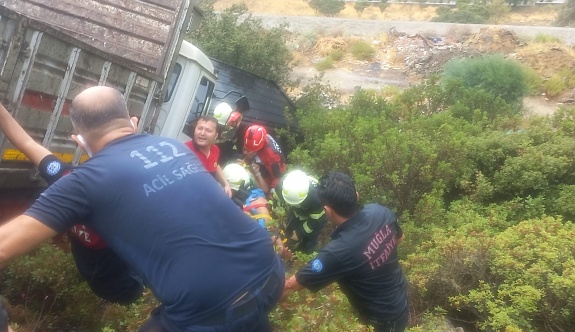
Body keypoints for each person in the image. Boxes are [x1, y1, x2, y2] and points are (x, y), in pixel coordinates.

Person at [0, 86, 284, 332]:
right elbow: (29, 144)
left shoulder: (83, 182)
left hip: (206, 307)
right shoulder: (173, 146)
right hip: (270, 272)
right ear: (133, 123)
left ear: (79, 138)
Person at [0, 102, 143, 305]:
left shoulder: (131, 194)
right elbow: (27, 143)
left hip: (128, 287)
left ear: (79, 142)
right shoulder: (67, 178)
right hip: (95, 278)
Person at [282, 172, 409, 332]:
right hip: (400, 297)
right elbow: (399, 238)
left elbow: (290, 286)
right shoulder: (379, 211)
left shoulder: (338, 252)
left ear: (327, 211)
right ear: (356, 195)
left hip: (383, 321)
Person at [274, 170, 327, 254]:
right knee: (289, 230)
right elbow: (275, 201)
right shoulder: (282, 187)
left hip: (313, 218)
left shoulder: (315, 198)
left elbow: (318, 221)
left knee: (309, 243)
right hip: (296, 212)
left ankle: (308, 255)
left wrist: (299, 232)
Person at [184, 115, 232, 197]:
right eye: (199, 128)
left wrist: (226, 184)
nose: (202, 133)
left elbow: (215, 165)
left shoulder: (215, 150)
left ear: (216, 136)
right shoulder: (184, 151)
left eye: (208, 130)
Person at [242, 125, 286, 195]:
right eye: (245, 149)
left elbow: (277, 177)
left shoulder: (272, 157)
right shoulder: (256, 139)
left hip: (273, 174)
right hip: (262, 165)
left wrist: (272, 190)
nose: (244, 152)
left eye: (248, 150)